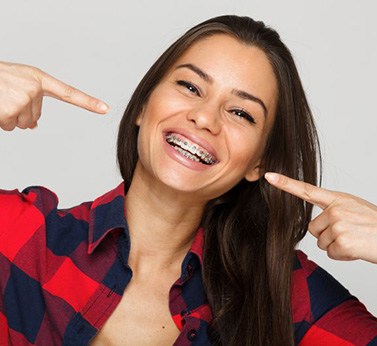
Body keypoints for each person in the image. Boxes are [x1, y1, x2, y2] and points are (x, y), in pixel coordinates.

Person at [0, 15, 377, 346]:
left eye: (241, 113)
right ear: (144, 104)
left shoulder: (284, 293)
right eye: (191, 87)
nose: (205, 118)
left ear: (258, 162)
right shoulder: (22, 237)